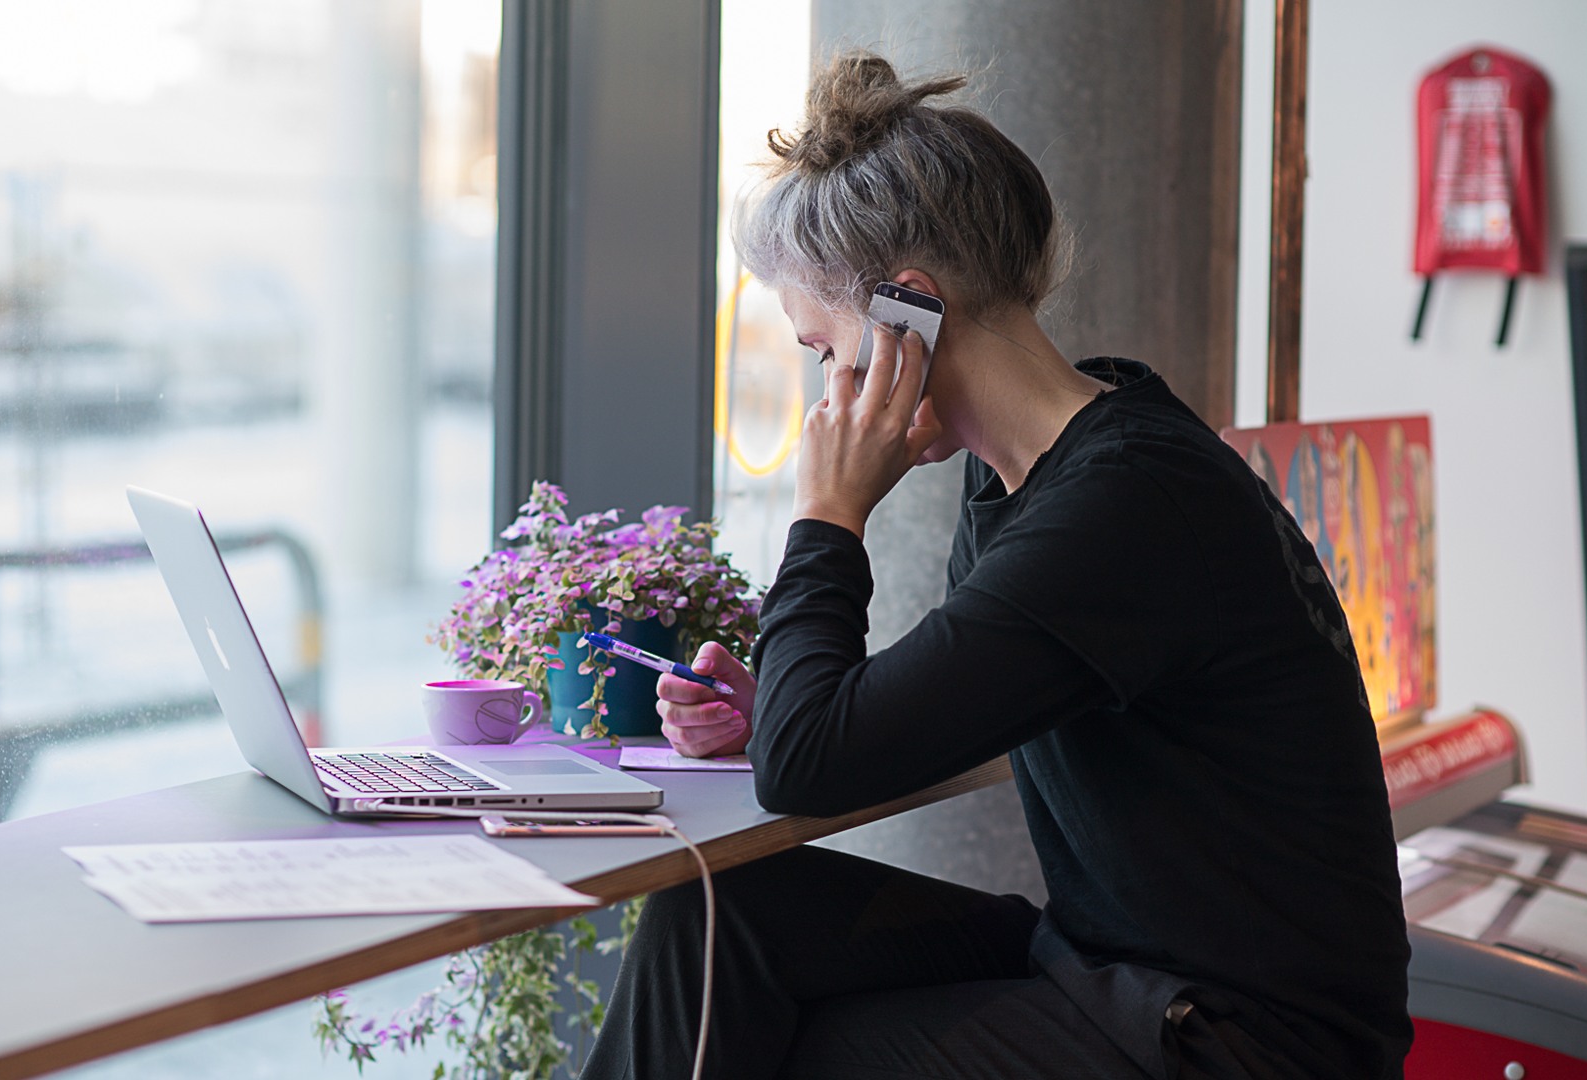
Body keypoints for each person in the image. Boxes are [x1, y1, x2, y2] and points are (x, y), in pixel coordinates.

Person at [581, 53, 1411, 1080]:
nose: (827, 398)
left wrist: (828, 514)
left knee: (787, 1049)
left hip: (1236, 1038)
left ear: (907, 315)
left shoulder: (1122, 506)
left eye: (825, 353)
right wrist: (782, 710)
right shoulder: (1044, 472)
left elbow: (812, 767)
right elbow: (911, 716)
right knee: (716, 924)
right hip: (1118, 968)